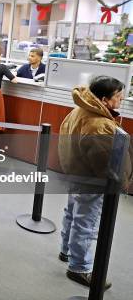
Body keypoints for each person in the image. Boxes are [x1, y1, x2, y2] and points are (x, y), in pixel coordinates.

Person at [58, 76, 132, 289]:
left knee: (72, 213)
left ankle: (67, 251)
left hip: (76, 172)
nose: (121, 100)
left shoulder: (79, 110)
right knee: (86, 223)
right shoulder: (99, 124)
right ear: (104, 99)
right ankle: (79, 267)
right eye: (118, 96)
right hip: (92, 181)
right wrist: (117, 183)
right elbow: (105, 162)